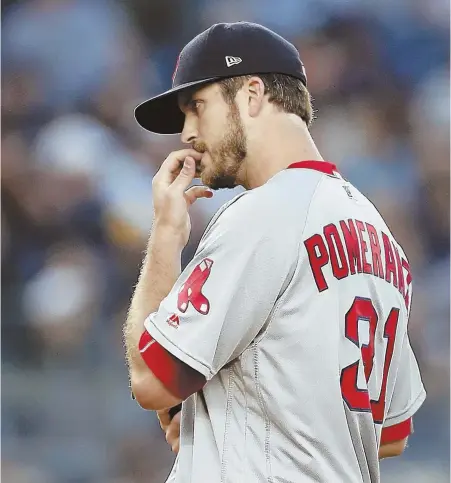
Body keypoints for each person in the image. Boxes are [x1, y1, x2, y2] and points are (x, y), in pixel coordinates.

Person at [124, 22, 426, 483]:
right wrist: (225, 415)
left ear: (251, 93)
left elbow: (152, 378)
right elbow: (389, 435)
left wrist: (166, 233)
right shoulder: (379, 235)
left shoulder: (263, 213)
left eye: (197, 107)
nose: (187, 132)